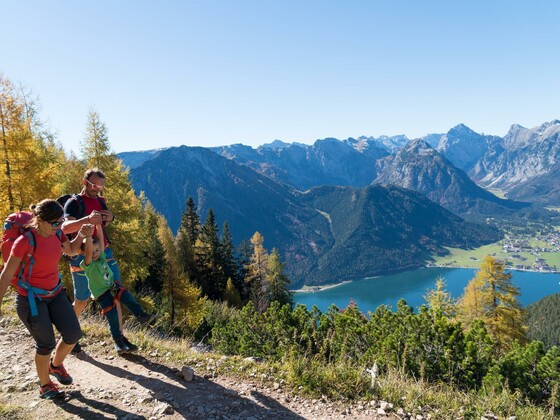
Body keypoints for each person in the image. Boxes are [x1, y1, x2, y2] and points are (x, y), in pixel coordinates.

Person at [0, 199, 93, 399]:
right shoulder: (24, 241)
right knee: (45, 344)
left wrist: (81, 235)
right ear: (39, 220)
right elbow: (7, 275)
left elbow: (71, 251)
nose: (59, 227)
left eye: (60, 223)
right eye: (54, 223)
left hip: (55, 293)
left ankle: (56, 366)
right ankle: (45, 386)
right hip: (31, 299)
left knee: (73, 334)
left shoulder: (57, 233)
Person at [61, 168, 117, 353]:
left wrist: (110, 217)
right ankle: (69, 335)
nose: (97, 189)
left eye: (100, 186)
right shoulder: (73, 203)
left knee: (116, 292)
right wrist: (86, 219)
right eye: (94, 185)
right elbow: (66, 228)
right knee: (82, 299)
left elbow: (103, 222)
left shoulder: (101, 201)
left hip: (103, 252)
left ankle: (119, 340)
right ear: (84, 182)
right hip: (80, 255)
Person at [81, 223, 155, 354]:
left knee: (127, 297)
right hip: (102, 295)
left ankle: (142, 316)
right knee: (113, 317)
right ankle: (118, 343)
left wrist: (98, 226)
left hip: (113, 287)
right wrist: (87, 236)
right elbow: (89, 252)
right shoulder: (88, 264)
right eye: (91, 251)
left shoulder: (102, 257)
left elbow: (100, 241)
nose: (95, 253)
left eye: (97, 250)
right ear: (85, 252)